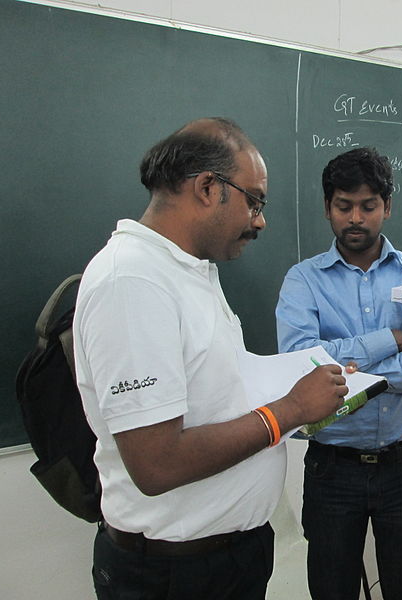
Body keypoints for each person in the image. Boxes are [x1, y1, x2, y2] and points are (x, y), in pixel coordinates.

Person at [73, 117, 351, 600]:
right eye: (255, 201)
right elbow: (157, 464)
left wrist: (292, 395)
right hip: (175, 574)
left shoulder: (190, 270)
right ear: (207, 188)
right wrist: (291, 410)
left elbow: (212, 396)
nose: (260, 220)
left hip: (227, 557)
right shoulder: (133, 282)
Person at [275, 147, 402, 600]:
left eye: (368, 205)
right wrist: (391, 339)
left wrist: (352, 369)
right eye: (344, 206)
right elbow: (302, 364)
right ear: (327, 208)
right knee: (332, 591)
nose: (356, 217)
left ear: (387, 207)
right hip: (332, 471)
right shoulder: (303, 280)